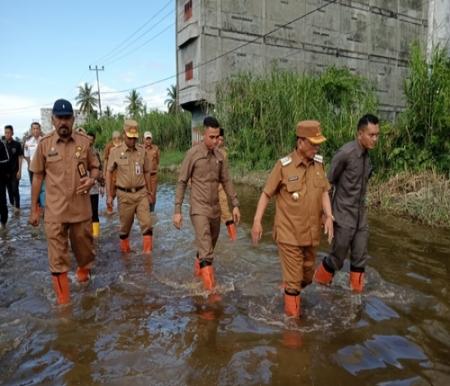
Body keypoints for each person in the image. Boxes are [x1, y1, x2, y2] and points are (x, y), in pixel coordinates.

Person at [251, 120, 334, 318]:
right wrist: (256, 221)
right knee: (295, 283)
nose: (317, 147)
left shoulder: (319, 164)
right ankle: (292, 331)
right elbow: (266, 194)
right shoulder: (283, 166)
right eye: (313, 143)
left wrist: (329, 215)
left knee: (306, 277)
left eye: (318, 143)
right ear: (300, 142)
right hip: (289, 234)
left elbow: (324, 191)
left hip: (311, 234)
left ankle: (289, 287)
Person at [28, 99, 100, 305]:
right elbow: (38, 178)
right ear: (53, 120)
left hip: (80, 211)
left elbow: (95, 167)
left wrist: (92, 178)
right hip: (55, 213)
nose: (63, 122)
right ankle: (64, 309)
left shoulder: (85, 143)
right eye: (59, 118)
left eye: (67, 117)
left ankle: (83, 278)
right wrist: (35, 209)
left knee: (85, 256)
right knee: (57, 261)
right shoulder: (44, 145)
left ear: (73, 119)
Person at [173, 116, 240, 291]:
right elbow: (181, 181)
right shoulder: (192, 154)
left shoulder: (220, 156)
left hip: (215, 209)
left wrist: (235, 204)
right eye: (212, 137)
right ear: (204, 134)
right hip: (199, 209)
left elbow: (226, 181)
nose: (215, 141)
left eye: (217, 137)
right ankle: (211, 295)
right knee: (207, 252)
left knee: (208, 248)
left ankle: (197, 275)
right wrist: (177, 210)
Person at [314, 114, 380, 293]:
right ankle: (317, 288)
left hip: (361, 218)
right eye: (371, 135)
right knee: (337, 259)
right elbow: (327, 184)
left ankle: (356, 299)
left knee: (360, 259)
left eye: (377, 135)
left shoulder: (367, 157)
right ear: (360, 134)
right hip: (342, 216)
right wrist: (325, 214)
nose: (375, 139)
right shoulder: (345, 154)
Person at [106, 120, 153, 253]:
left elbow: (147, 171)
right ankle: (126, 257)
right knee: (125, 228)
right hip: (124, 195)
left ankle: (147, 256)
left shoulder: (142, 151)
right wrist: (110, 195)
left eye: (134, 138)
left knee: (147, 224)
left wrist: (149, 191)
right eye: (129, 138)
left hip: (141, 193)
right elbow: (108, 171)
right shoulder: (115, 152)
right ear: (123, 135)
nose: (132, 141)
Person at [217, 128, 237, 241]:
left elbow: (226, 176)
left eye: (221, 140)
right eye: (217, 139)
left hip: (220, 188)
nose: (219, 142)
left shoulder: (223, 154)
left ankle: (233, 240)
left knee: (226, 213)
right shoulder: (201, 152)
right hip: (206, 190)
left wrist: (234, 199)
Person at [87, 131, 104, 237]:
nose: (89, 141)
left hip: (93, 187)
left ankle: (96, 235)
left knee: (94, 211)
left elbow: (100, 169)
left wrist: (102, 185)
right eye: (87, 139)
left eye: (91, 139)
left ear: (94, 141)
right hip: (81, 188)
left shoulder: (95, 153)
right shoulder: (78, 151)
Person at [4, 125, 23, 213]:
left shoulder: (17, 144)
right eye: (6, 132)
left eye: (8, 132)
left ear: (12, 133)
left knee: (15, 189)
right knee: (9, 190)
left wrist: (20, 170)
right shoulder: (3, 145)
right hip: (5, 172)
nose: (7, 134)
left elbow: (20, 157)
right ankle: (12, 204)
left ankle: (17, 207)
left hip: (15, 170)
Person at [103, 131, 123, 213]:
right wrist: (104, 173)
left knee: (123, 197)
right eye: (115, 138)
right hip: (111, 175)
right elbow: (105, 160)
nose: (116, 139)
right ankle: (110, 213)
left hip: (121, 175)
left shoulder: (123, 146)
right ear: (112, 139)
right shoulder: (109, 146)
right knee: (110, 195)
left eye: (118, 138)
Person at [143, 131, 160, 212]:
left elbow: (158, 161)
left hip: (153, 176)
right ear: (144, 139)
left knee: (153, 195)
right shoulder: (141, 149)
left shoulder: (155, 148)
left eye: (149, 139)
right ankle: (145, 213)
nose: (148, 141)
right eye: (147, 139)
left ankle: (152, 213)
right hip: (143, 177)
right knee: (144, 195)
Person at [0, 138, 10, 227]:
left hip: (1, 177)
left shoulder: (1, 145)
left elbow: (6, 160)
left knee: (2, 201)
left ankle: (3, 223)